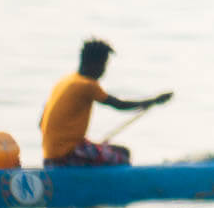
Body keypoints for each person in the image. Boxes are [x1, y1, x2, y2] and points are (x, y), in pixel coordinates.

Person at [40, 39, 172, 167]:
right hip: (66, 157)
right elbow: (120, 105)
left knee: (119, 150)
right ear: (93, 64)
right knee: (123, 157)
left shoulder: (64, 81)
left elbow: (41, 123)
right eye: (103, 65)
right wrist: (154, 101)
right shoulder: (87, 85)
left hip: (49, 157)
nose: (103, 70)